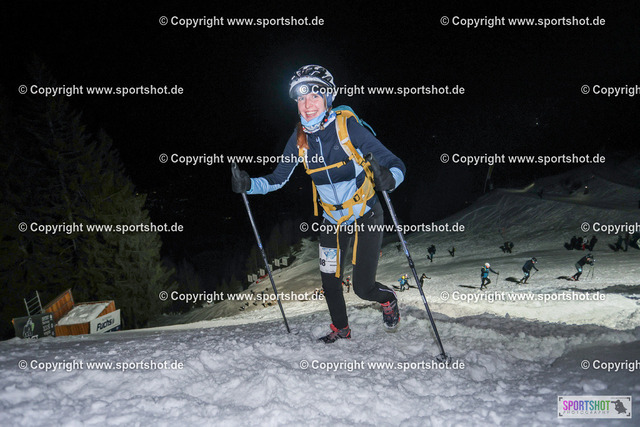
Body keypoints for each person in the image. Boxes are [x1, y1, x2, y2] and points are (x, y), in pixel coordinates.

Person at [231, 65, 406, 343]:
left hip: (366, 214)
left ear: (328, 98)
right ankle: (341, 329)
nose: (307, 104)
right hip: (332, 221)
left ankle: (388, 299)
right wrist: (249, 184)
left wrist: (390, 179)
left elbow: (395, 163)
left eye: (314, 96)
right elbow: (278, 178)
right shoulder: (299, 139)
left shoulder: (347, 128)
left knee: (363, 288)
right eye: (301, 98)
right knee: (329, 282)